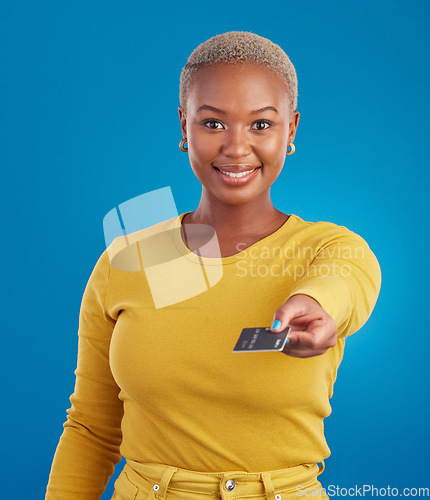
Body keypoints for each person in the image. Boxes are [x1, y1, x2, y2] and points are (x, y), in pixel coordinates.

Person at [46, 31, 381, 500]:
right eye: (213, 123)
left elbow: (344, 283)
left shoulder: (328, 247)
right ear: (184, 126)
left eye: (261, 125)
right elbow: (91, 428)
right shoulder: (130, 259)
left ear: (292, 131)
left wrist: (316, 305)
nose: (237, 147)